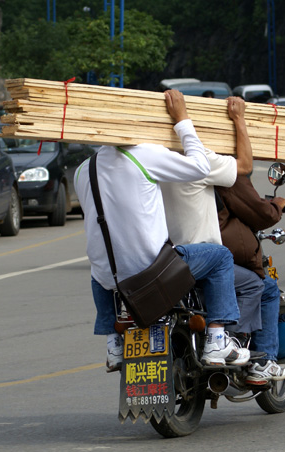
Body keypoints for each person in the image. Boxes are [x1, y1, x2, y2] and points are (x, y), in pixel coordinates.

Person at [74, 90, 250, 372]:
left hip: (113, 281)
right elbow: (200, 166)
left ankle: (113, 343)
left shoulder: (84, 170)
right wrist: (182, 119)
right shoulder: (145, 155)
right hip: (153, 270)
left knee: (98, 269)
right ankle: (217, 339)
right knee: (220, 257)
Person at [160, 95, 265, 351]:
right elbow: (245, 165)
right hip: (200, 261)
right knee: (257, 284)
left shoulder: (154, 161)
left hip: (163, 262)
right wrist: (239, 119)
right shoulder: (199, 161)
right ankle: (230, 343)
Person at [216, 175, 285, 385]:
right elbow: (260, 214)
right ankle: (263, 361)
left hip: (166, 259)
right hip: (208, 257)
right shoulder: (224, 174)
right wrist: (276, 205)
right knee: (264, 286)